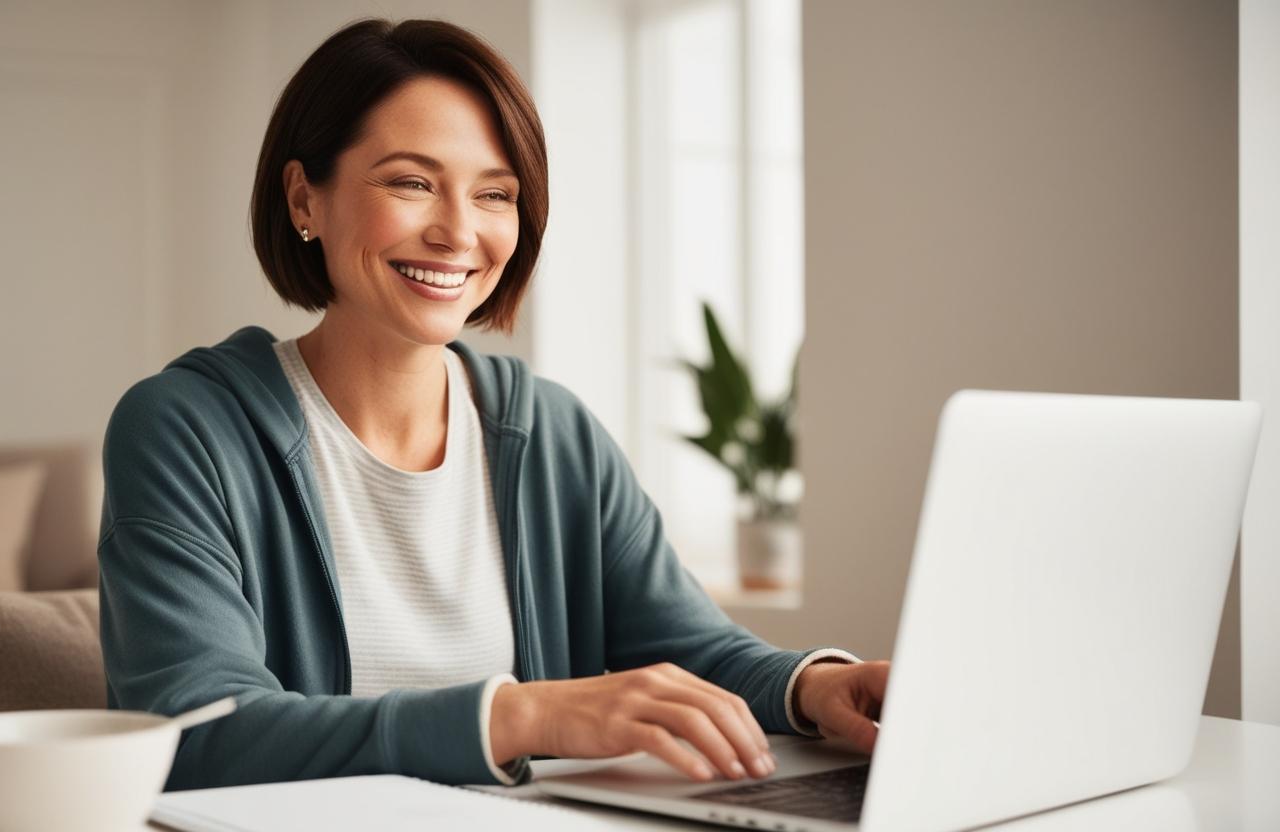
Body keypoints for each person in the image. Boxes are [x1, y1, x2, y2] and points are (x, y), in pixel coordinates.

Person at [98, 17, 889, 791]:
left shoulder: (553, 434)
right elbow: (196, 731)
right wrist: (517, 717)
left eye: (494, 194)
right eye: (411, 183)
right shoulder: (186, 429)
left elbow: (695, 653)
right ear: (305, 198)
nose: (458, 232)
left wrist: (814, 686)